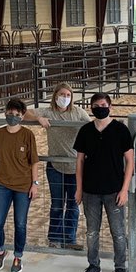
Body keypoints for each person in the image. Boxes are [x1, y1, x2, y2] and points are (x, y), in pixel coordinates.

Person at [74, 92, 134, 272]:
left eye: (103, 104)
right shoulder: (85, 131)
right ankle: (93, 265)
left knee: (117, 231)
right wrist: (79, 188)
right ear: (91, 108)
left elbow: (130, 162)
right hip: (90, 191)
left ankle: (120, 267)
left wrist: (125, 189)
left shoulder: (120, 130)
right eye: (96, 105)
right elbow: (80, 162)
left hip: (114, 190)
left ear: (110, 106)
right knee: (92, 231)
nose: (100, 108)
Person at [27, 83, 90, 249]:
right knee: (57, 203)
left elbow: (92, 128)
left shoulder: (78, 113)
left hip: (75, 167)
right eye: (62, 94)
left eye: (68, 95)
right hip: (55, 166)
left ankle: (69, 239)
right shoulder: (48, 112)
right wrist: (37, 118)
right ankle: (54, 238)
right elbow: (24, 112)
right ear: (55, 95)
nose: (65, 98)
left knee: (73, 204)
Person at [0, 99, 40, 272]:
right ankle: (0, 251)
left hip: (23, 186)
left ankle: (18, 256)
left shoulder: (28, 135)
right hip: (2, 185)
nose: (13, 117)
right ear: (5, 113)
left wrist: (35, 184)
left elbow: (34, 162)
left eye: (17, 114)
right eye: (10, 113)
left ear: (22, 116)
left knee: (20, 223)